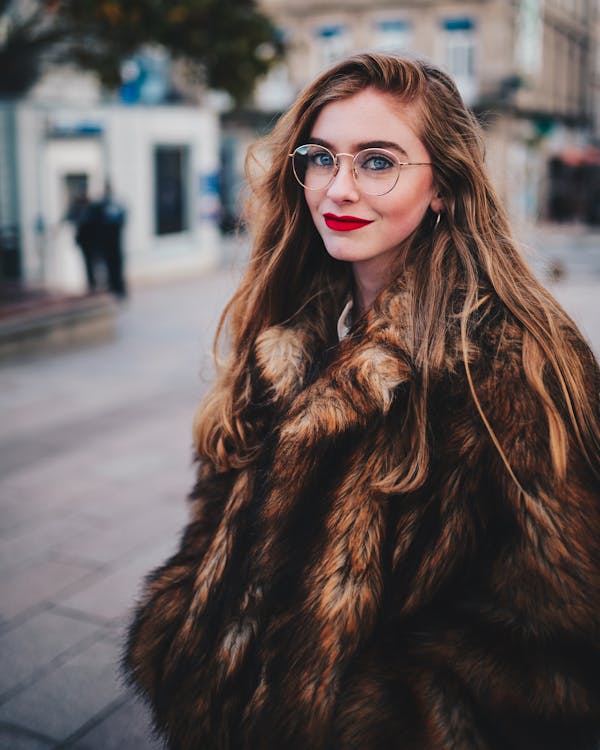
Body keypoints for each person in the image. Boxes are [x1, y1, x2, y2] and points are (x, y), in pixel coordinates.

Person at [124, 53, 600, 749]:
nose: (337, 189)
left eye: (378, 162)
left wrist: (365, 720)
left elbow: (561, 647)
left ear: (443, 185)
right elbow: (220, 526)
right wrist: (185, 634)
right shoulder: (290, 328)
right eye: (321, 158)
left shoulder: (513, 361)